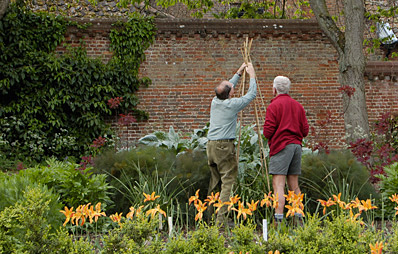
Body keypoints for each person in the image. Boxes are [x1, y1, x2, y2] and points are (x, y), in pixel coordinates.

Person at [206, 62, 257, 225]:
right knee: (228, 180)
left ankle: (208, 215)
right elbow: (251, 95)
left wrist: (239, 72)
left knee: (215, 182)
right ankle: (221, 220)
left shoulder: (215, 101)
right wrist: (252, 76)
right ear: (229, 94)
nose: (233, 86)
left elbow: (228, 86)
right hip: (223, 146)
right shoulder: (232, 105)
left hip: (211, 145)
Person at [263, 76, 309, 224]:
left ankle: (278, 223)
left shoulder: (274, 106)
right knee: (294, 185)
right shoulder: (298, 106)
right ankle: (299, 220)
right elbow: (305, 130)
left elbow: (268, 132)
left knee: (278, 185)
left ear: (274, 89)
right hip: (296, 146)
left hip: (281, 147)